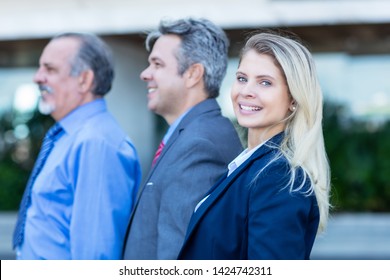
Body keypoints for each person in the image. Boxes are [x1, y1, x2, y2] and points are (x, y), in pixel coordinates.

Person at [177, 31, 331, 260]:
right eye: (241, 78)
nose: (246, 91)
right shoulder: (249, 165)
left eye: (265, 82)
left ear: (293, 100)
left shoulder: (278, 176)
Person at [12, 32, 142, 259]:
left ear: (84, 80)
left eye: (50, 69)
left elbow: (97, 257)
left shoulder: (97, 144)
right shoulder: (69, 136)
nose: (37, 77)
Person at [122, 18, 243, 260]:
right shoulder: (192, 135)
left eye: (157, 64)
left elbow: (180, 259)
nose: (145, 74)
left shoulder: (199, 145)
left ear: (192, 74)